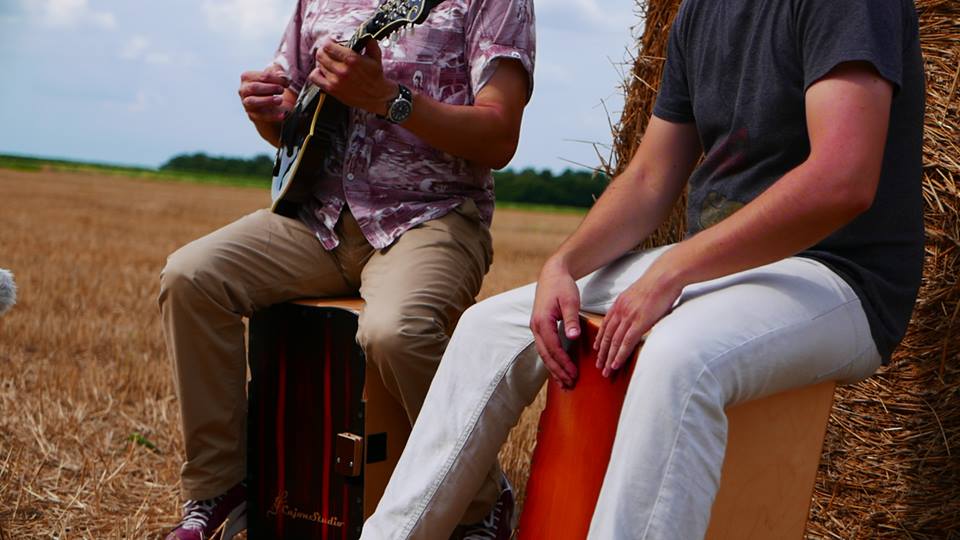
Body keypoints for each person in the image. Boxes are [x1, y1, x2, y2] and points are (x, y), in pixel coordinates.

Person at [360, 0, 925, 537]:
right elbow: (651, 178)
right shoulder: (700, 11)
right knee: (489, 330)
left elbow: (842, 179)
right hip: (726, 264)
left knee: (680, 359)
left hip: (839, 271)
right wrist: (564, 265)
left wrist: (675, 271)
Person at [159, 0, 534, 538]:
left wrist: (389, 100)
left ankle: (480, 502)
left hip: (430, 216)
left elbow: (499, 137)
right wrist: (271, 114)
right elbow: (295, 126)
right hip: (318, 218)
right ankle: (221, 489)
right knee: (190, 277)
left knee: (396, 333)